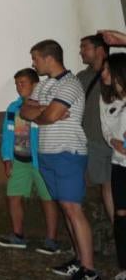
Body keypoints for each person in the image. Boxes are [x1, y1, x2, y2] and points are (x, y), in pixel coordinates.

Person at [20, 39, 98, 279]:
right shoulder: (43, 86)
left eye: (35, 58)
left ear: (48, 58)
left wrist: (43, 112)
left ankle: (89, 269)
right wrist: (46, 112)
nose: (33, 63)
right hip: (47, 152)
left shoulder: (70, 84)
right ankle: (78, 259)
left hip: (67, 151)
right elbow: (25, 111)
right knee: (65, 208)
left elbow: (50, 115)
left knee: (73, 208)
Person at [0, 68, 60, 253]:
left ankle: (52, 240)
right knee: (13, 196)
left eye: (22, 83)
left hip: (40, 161)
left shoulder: (44, 107)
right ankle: (18, 236)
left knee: (48, 199)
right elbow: (7, 134)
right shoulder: (13, 108)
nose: (18, 87)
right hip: (19, 159)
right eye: (16, 83)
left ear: (34, 84)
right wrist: (7, 158)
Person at [78, 34, 114, 222]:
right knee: (106, 185)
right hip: (95, 141)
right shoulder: (82, 77)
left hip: (119, 141)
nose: (81, 51)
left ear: (100, 50)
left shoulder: (119, 70)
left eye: (85, 47)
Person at [99, 53, 126, 280]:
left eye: (107, 69)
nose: (103, 73)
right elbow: (107, 130)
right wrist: (113, 141)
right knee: (121, 214)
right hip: (119, 163)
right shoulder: (106, 99)